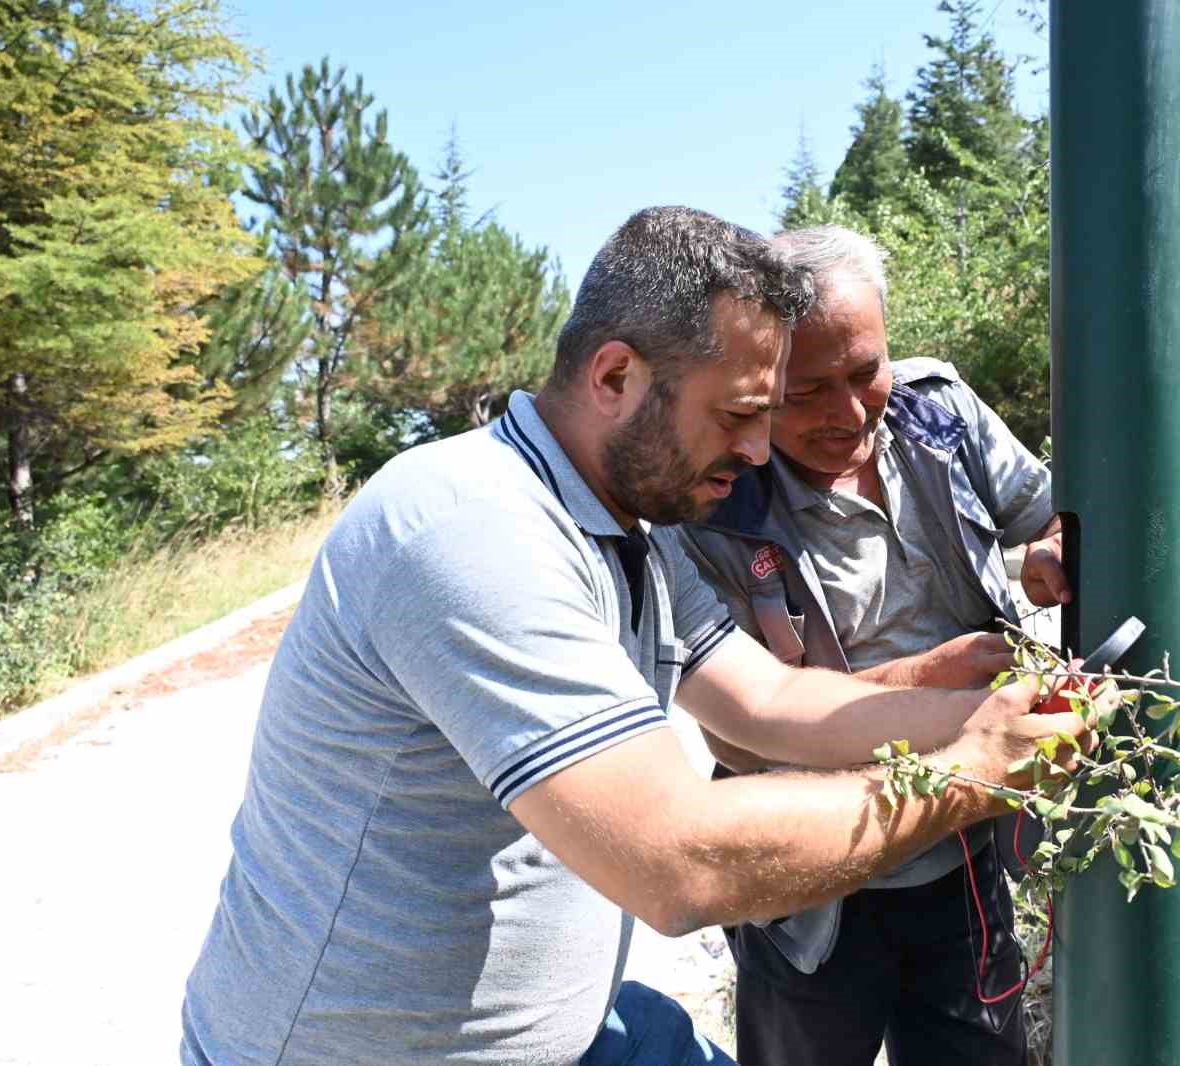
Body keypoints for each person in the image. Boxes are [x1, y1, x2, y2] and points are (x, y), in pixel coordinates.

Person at [178, 206, 1089, 1066]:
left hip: (573, 1034)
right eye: (738, 414)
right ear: (616, 377)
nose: (760, 453)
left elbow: (770, 698)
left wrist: (981, 714)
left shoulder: (634, 536)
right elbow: (676, 862)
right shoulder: (473, 529)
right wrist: (974, 775)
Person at [677, 224, 1070, 1066]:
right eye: (809, 391)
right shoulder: (714, 505)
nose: (848, 413)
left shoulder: (942, 416)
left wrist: (1050, 547)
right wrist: (932, 680)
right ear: (758, 384)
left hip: (965, 854)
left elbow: (1049, 515)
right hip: (811, 891)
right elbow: (736, 734)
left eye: (866, 374)